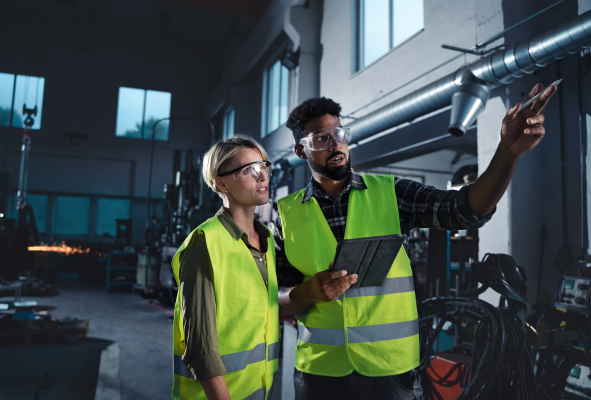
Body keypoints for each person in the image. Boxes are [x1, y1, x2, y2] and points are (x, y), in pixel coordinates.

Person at [275, 84, 556, 399]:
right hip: (320, 371)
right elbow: (279, 294)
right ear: (301, 151)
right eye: (321, 139)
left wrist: (507, 153)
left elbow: (463, 210)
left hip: (390, 370)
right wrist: (310, 291)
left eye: (340, 134)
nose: (336, 145)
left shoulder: (390, 193)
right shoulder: (285, 215)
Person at [171, 135, 279, 400]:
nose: (262, 177)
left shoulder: (265, 241)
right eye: (248, 170)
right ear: (221, 183)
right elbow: (200, 349)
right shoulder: (205, 242)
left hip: (257, 390)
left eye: (263, 167)